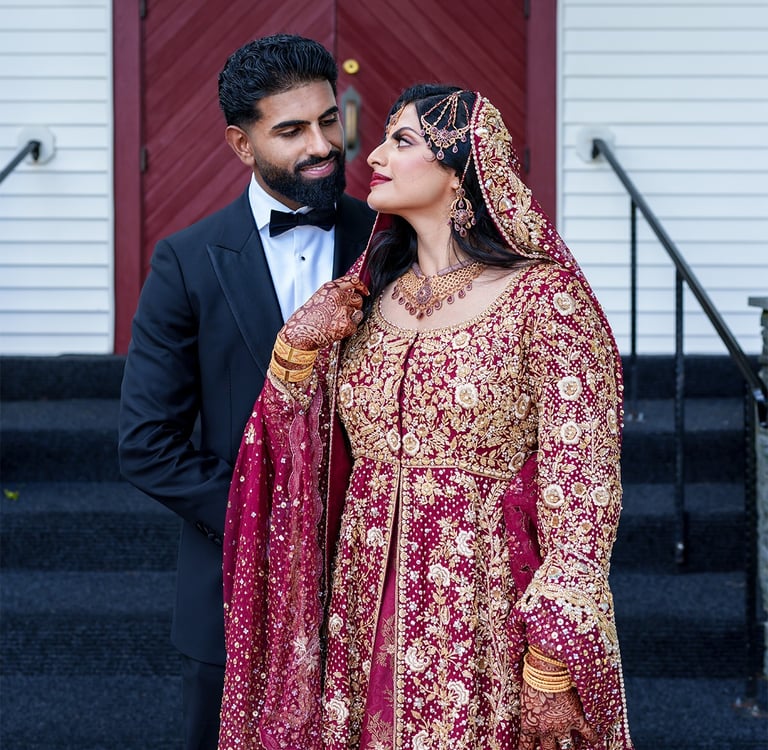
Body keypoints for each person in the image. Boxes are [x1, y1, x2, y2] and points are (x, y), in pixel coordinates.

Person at [219, 85, 633, 750]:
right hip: (359, 607)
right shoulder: (365, 299)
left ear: (461, 171)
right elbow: (303, 451)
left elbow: (583, 492)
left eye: (402, 141)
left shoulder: (544, 301)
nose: (374, 154)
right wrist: (294, 349)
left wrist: (553, 660)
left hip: (482, 607)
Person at [117, 34, 375, 750]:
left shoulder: (395, 242)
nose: (322, 145)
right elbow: (146, 447)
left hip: (375, 583)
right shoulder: (184, 261)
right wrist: (269, 519)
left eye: (329, 121)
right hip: (235, 584)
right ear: (241, 143)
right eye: (291, 131)